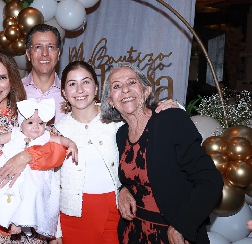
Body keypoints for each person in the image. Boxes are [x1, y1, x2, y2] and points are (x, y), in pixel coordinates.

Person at [53, 61, 183, 244]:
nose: (80, 90)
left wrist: (175, 108)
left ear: (96, 88)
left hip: (119, 210)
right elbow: (50, 183)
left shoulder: (117, 119)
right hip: (74, 216)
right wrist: (54, 230)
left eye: (86, 82)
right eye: (72, 84)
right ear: (64, 93)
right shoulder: (57, 130)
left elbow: (148, 118)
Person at [101, 62, 223, 244]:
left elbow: (210, 181)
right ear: (110, 100)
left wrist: (182, 226)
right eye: (117, 86)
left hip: (172, 235)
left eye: (132, 82)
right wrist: (124, 189)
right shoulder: (121, 135)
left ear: (146, 91)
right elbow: (135, 176)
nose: (125, 90)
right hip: (133, 234)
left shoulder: (170, 120)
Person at [0, 50, 67, 243]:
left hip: (31, 221)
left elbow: (58, 148)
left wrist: (26, 156)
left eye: (2, 77)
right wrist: (4, 203)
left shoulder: (27, 113)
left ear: (12, 80)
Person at [0, 98, 77, 238]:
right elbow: (0, 138)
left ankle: (19, 221)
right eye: (30, 122)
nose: (36, 126)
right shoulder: (15, 133)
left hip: (32, 174)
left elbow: (60, 140)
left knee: (29, 192)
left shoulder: (46, 136)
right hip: (9, 170)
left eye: (41, 123)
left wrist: (71, 144)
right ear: (21, 125)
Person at [23, 24, 65, 122]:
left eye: (50, 47)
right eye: (38, 47)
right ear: (28, 54)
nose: (45, 53)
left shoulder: (70, 94)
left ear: (58, 54)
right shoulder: (14, 91)